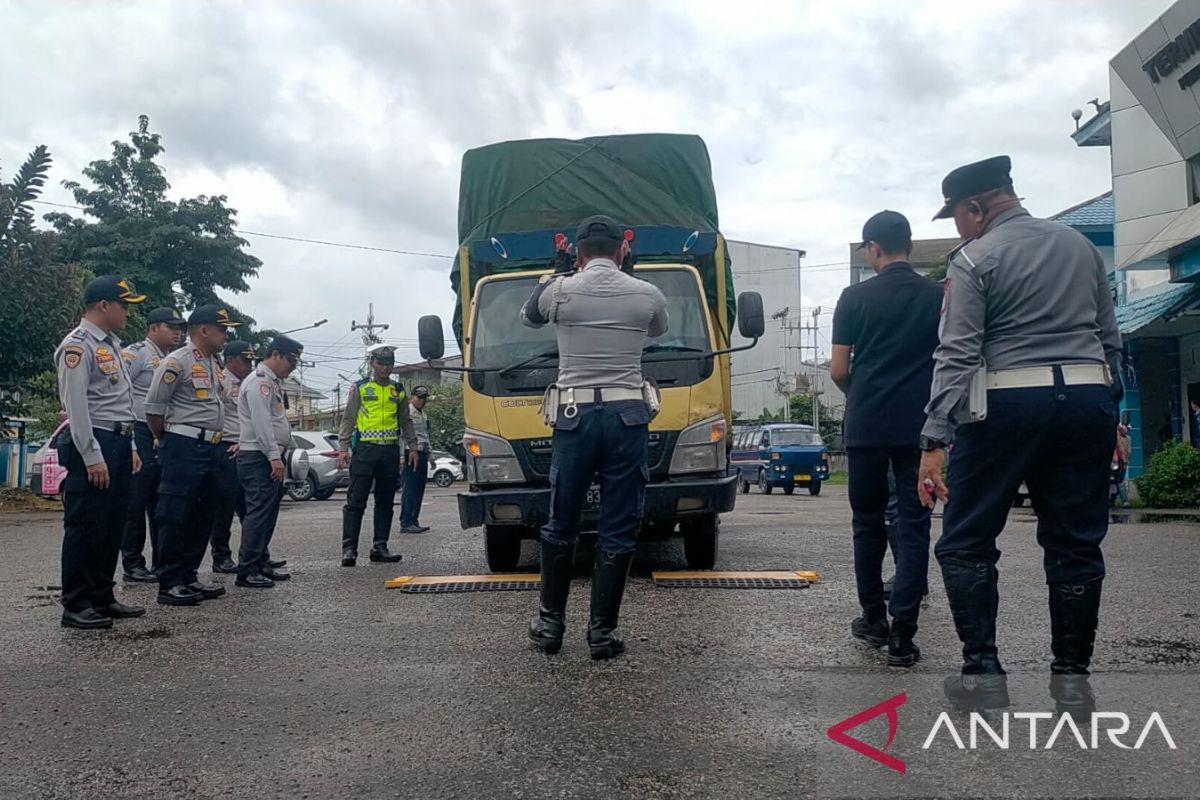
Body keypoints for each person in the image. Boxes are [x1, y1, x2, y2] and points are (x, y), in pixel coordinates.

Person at [918, 156, 1123, 712]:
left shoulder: (974, 258)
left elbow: (957, 351)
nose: (957, 227)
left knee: (966, 540)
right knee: (1075, 542)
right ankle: (1072, 682)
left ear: (978, 207)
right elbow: (1109, 338)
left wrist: (933, 439)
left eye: (958, 216)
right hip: (1087, 400)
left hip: (1005, 405)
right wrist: (1113, 414)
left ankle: (983, 677)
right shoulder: (1080, 247)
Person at [521, 215, 668, 660]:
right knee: (619, 523)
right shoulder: (646, 294)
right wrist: (631, 272)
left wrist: (558, 267)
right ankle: (602, 633)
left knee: (561, 520)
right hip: (627, 416)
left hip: (574, 415)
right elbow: (657, 328)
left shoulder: (560, 290)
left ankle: (550, 625)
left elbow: (529, 316)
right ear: (622, 250)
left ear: (578, 252)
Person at [831, 210, 942, 668]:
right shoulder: (938, 296)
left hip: (867, 426)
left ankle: (873, 618)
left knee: (867, 522)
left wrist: (862, 394)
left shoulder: (854, 297)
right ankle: (904, 636)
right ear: (909, 247)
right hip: (920, 429)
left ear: (872, 248)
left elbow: (838, 369)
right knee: (914, 525)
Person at [54, 275, 149, 629]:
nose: (127, 312)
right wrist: (92, 454)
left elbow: (122, 402)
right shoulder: (77, 346)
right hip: (94, 441)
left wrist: (133, 445)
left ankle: (102, 595)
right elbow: (77, 407)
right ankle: (76, 603)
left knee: (112, 523)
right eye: (124, 305)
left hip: (120, 440)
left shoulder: (109, 345)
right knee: (86, 524)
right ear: (104, 305)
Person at [145, 304, 239, 606]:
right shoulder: (178, 361)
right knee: (175, 514)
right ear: (203, 330)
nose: (226, 336)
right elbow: (154, 408)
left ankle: (188, 575)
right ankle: (169, 581)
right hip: (184, 445)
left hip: (213, 446)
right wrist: (168, 439)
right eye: (222, 329)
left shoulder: (214, 364)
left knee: (204, 513)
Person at [119, 306, 185, 583]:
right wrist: (131, 439)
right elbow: (119, 391)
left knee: (161, 502)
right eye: (172, 327)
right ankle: (133, 563)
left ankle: (162, 561)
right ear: (154, 327)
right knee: (136, 500)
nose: (178, 333)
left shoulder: (173, 359)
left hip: (163, 432)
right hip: (139, 430)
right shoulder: (137, 353)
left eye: (180, 328)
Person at [336, 344, 416, 566]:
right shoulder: (360, 387)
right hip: (365, 450)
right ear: (372, 363)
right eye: (381, 363)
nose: (385, 368)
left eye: (389, 363)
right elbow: (348, 418)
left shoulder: (398, 390)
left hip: (389, 451)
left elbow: (405, 421)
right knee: (356, 500)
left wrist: (413, 446)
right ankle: (349, 549)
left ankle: (380, 546)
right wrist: (343, 447)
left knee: (385, 501)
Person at [237, 336, 304, 588]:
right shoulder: (259, 382)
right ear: (275, 354)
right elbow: (261, 422)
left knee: (268, 514)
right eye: (291, 360)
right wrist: (273, 455)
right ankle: (248, 569)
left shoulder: (274, 383)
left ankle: (260, 563)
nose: (293, 367)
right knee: (258, 514)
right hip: (259, 456)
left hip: (268, 455)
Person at [209, 340, 256, 574]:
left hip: (247, 448)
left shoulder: (251, 383)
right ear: (229, 360)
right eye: (245, 360)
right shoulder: (220, 380)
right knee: (224, 507)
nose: (249, 364)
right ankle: (221, 556)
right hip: (226, 448)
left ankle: (255, 555)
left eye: (251, 360)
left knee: (250, 508)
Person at [398, 385, 432, 534]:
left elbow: (425, 435)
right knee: (410, 488)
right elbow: (401, 435)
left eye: (424, 398)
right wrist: (401, 457)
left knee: (419, 488)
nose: (422, 401)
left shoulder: (423, 414)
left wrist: (430, 455)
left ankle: (414, 519)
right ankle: (406, 521)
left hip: (422, 452)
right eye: (419, 397)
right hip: (410, 452)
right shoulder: (407, 412)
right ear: (412, 397)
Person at [1113, 423, 1132, 508]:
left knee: (1119, 481)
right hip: (1115, 462)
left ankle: (1122, 501)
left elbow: (1128, 451)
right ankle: (1123, 500)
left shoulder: (1128, 439)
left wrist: (1125, 460)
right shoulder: (1116, 438)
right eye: (1125, 428)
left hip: (1122, 462)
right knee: (1118, 482)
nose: (1127, 430)